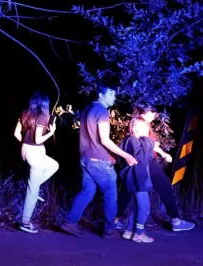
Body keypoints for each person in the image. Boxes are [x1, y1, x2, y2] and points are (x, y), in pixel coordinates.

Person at [59, 84, 138, 237]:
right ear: (101, 95)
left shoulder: (87, 109)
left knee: (88, 191)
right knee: (110, 192)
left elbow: (92, 138)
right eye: (111, 94)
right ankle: (108, 228)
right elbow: (104, 140)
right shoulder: (101, 111)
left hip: (85, 157)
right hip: (98, 161)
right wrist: (126, 156)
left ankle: (69, 222)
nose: (114, 98)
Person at [114, 102, 194, 232]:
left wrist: (163, 153)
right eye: (153, 112)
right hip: (147, 162)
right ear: (145, 112)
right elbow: (145, 144)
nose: (155, 115)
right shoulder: (141, 124)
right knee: (165, 188)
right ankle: (176, 221)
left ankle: (114, 220)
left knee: (128, 191)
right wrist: (163, 154)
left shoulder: (139, 122)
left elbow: (149, 143)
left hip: (143, 162)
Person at [13, 92, 59, 234]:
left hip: (25, 150)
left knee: (53, 165)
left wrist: (26, 143)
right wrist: (52, 132)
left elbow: (16, 133)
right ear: (45, 104)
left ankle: (36, 184)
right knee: (32, 190)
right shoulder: (43, 117)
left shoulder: (25, 113)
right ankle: (25, 222)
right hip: (36, 151)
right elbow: (38, 140)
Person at [118, 117, 157, 243]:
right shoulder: (133, 140)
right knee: (145, 207)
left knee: (137, 206)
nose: (147, 130)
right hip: (137, 178)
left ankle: (129, 231)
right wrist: (148, 140)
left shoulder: (132, 140)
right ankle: (139, 233)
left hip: (135, 177)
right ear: (134, 128)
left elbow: (148, 156)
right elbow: (141, 157)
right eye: (144, 127)